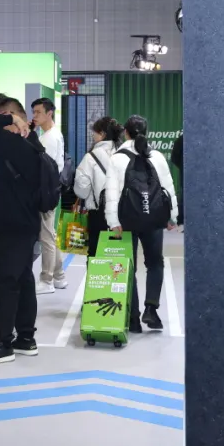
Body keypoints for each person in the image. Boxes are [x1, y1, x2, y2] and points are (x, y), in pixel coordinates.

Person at [0, 98, 44, 365]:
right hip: (25, 224)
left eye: (0, 116)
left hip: (7, 227)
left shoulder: (13, 142)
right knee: (23, 281)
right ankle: (25, 338)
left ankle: (3, 343)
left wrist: (12, 119)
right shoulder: (32, 143)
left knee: (4, 283)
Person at [104, 115, 177, 333]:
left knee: (128, 267)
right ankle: (151, 309)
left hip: (127, 219)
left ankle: (133, 318)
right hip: (153, 219)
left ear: (126, 132)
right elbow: (168, 187)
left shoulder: (117, 158)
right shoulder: (157, 156)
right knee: (155, 263)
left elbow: (111, 193)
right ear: (146, 132)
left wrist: (112, 221)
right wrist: (172, 216)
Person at [73, 117, 123, 256]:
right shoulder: (123, 153)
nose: (92, 135)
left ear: (102, 134)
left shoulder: (90, 157)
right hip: (123, 210)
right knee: (119, 253)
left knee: (95, 252)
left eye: (94, 132)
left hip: (99, 212)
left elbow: (82, 191)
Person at [31, 97, 66, 294]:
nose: (34, 116)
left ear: (49, 113)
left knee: (46, 237)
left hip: (46, 192)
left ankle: (47, 279)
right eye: (33, 112)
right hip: (48, 191)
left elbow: (46, 170)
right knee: (49, 235)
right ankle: (59, 276)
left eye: (38, 112)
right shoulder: (48, 135)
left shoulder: (50, 138)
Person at [171, 133, 184, 228]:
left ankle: (182, 220)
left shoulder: (181, 139)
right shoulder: (181, 140)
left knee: (184, 195)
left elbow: (174, 158)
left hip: (186, 172)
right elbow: (174, 158)